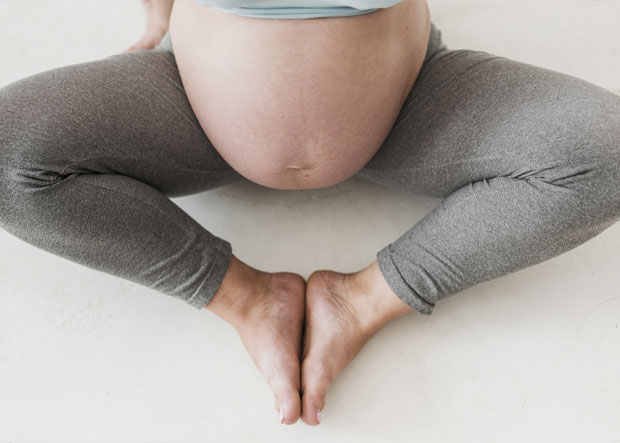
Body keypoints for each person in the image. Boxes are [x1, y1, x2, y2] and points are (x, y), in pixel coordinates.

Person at [1, 0, 619, 427]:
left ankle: (361, 300)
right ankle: (247, 299)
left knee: (607, 154)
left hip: (407, 97)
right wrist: (156, 17)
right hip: (188, 93)